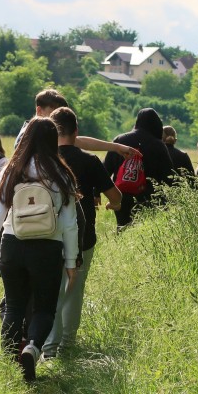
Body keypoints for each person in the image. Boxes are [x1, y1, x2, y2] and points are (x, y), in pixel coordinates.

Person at [0, 117, 79, 382]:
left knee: (13, 306)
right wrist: (71, 261)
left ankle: (10, 364)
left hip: (12, 244)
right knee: (44, 309)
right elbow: (70, 224)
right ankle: (33, 349)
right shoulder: (61, 174)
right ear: (52, 140)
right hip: (48, 248)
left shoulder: (12, 170)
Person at [42, 108, 122, 359]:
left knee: (50, 289)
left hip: (48, 233)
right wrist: (114, 205)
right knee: (74, 289)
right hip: (82, 235)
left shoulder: (44, 159)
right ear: (76, 131)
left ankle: (48, 348)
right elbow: (115, 195)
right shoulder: (89, 161)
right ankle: (67, 343)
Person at [16, 89, 140, 160]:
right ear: (39, 111)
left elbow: (80, 142)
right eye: (53, 114)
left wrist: (117, 147)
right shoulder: (28, 136)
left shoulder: (42, 132)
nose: (57, 120)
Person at [103, 108, 174, 228]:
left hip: (122, 196)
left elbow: (105, 169)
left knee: (123, 228)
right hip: (149, 197)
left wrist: (96, 193)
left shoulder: (120, 140)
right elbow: (169, 175)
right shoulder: (158, 145)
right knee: (146, 232)